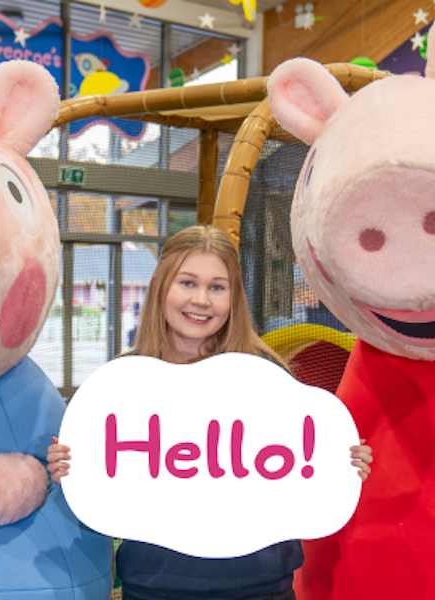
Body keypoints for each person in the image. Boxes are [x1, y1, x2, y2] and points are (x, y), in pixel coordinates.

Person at [47, 225, 373, 600]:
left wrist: (342, 462)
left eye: (217, 287)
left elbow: (302, 462)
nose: (201, 299)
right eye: (187, 283)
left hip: (260, 586)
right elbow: (104, 472)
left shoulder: (265, 377)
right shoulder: (126, 383)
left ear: (234, 298)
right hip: (158, 585)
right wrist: (72, 464)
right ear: (161, 287)